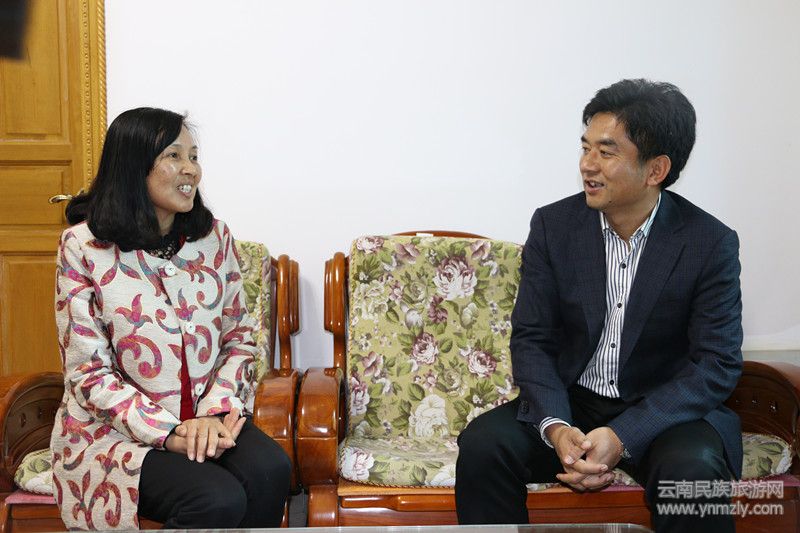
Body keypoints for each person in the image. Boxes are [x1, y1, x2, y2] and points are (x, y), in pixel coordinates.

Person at [455, 79, 743, 532]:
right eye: (585, 148)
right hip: (573, 400)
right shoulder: (554, 226)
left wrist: (624, 434)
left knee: (693, 475)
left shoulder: (708, 243)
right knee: (484, 445)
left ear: (656, 169)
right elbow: (533, 338)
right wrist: (557, 428)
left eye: (606, 153)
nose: (587, 164)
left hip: (664, 410)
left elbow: (716, 364)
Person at [52, 107, 291, 530]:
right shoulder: (83, 247)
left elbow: (239, 339)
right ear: (134, 167)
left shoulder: (214, 238)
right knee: (215, 498)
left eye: (194, 156)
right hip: (115, 433)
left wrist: (213, 414)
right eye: (174, 156)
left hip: (209, 418)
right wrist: (168, 432)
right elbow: (88, 374)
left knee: (271, 470)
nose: (191, 169)